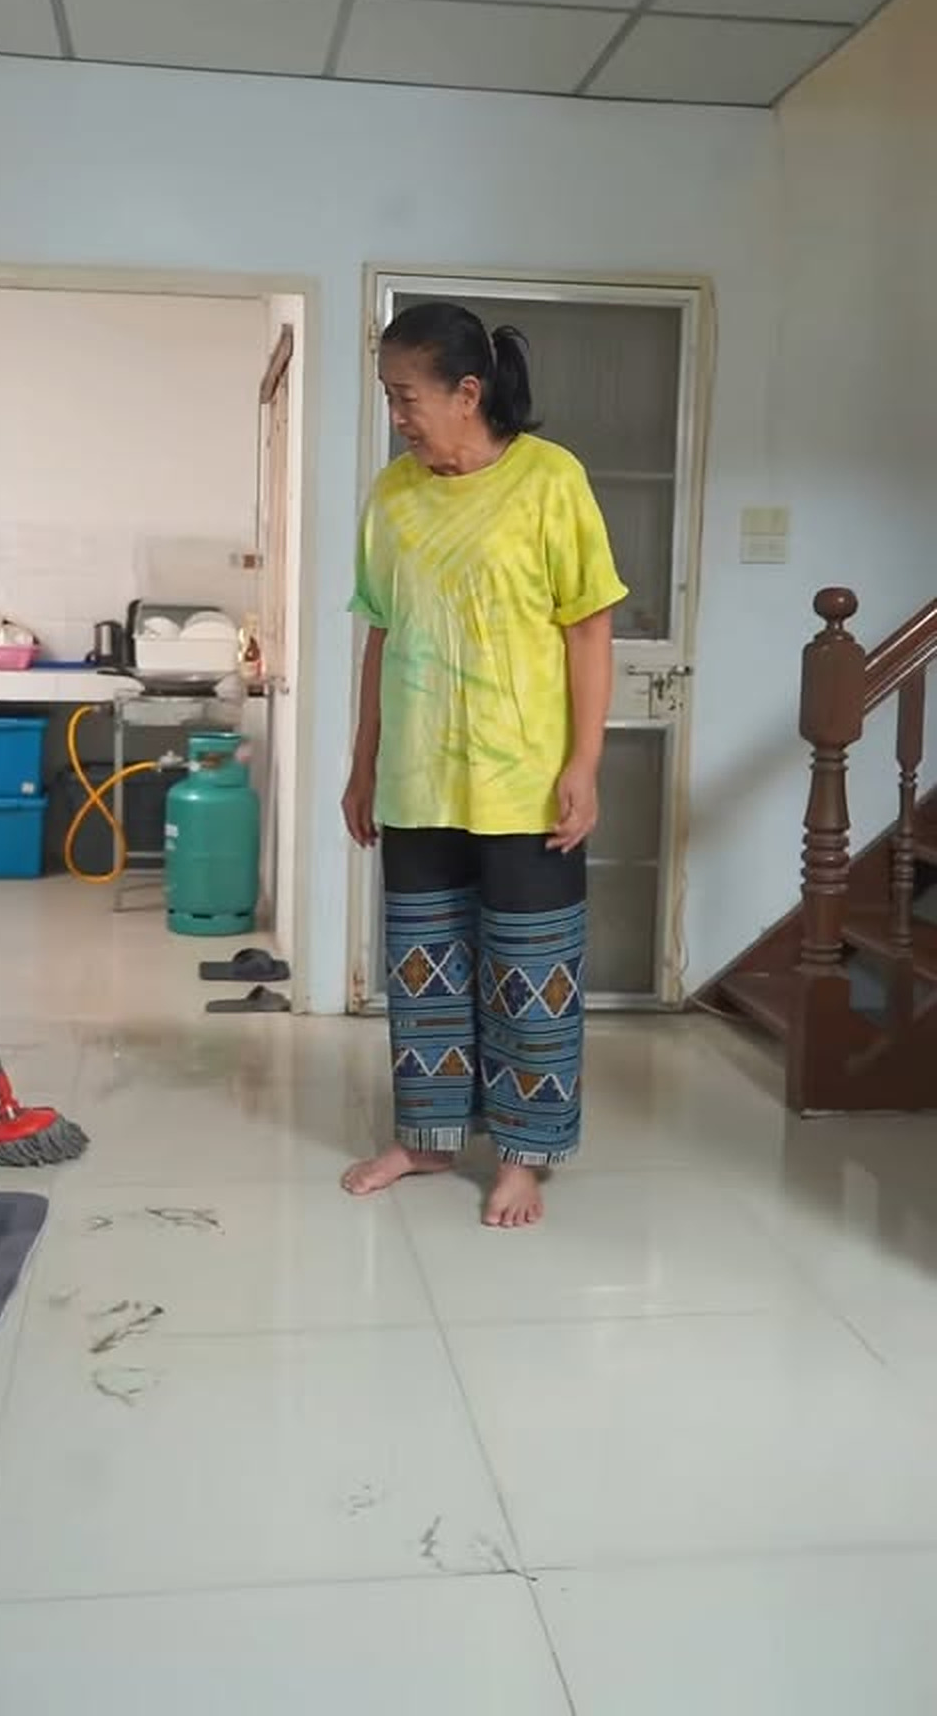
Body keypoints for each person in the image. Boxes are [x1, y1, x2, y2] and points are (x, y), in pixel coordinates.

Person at [341, 301, 627, 1229]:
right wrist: (362, 762)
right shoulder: (394, 495)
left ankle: (521, 1157)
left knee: (529, 975)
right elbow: (381, 635)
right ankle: (427, 1139)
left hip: (525, 780)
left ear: (468, 393)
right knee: (424, 970)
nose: (397, 416)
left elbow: (589, 628)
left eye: (407, 397)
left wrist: (584, 762)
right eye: (388, 397)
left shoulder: (550, 480)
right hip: (419, 776)